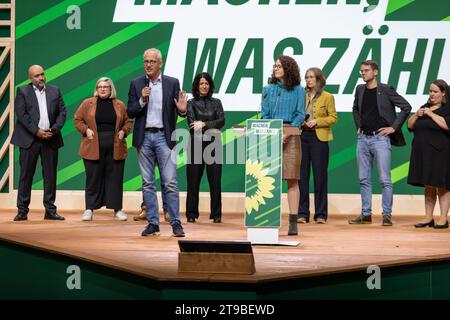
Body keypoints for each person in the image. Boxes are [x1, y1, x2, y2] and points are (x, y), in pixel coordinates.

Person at [127, 48, 187, 237]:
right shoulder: (136, 84)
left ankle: (176, 222)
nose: (148, 64)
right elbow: (130, 111)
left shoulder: (171, 83)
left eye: (152, 61)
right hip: (144, 138)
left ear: (160, 64)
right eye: (146, 61)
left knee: (170, 182)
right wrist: (142, 100)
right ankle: (153, 223)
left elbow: (180, 110)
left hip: (164, 137)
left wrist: (183, 111)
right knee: (147, 183)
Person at [349, 60, 411, 226]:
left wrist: (393, 128)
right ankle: (366, 214)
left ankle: (386, 215)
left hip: (381, 139)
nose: (363, 73)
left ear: (375, 72)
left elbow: (406, 107)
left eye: (366, 70)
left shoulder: (385, 89)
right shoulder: (360, 89)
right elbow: (355, 108)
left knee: (385, 179)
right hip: (363, 139)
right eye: (361, 71)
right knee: (363, 179)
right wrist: (359, 126)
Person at [11, 65, 67, 221]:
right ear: (30, 78)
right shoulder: (22, 91)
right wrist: (37, 131)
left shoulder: (55, 90)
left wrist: (53, 129)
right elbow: (22, 114)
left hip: (50, 138)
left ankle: (50, 210)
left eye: (42, 74)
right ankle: (22, 211)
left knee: (50, 176)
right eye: (37, 76)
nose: (41, 78)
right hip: (30, 139)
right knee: (26, 176)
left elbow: (62, 112)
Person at [74, 77, 132, 221]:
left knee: (115, 179)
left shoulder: (119, 104)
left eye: (106, 86)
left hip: (115, 146)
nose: (103, 89)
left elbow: (128, 120)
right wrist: (85, 130)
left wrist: (124, 131)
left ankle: (117, 210)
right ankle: (89, 209)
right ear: (96, 88)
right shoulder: (88, 103)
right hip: (92, 146)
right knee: (93, 178)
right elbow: (77, 119)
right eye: (100, 86)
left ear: (111, 89)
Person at [261, 55, 305, 236]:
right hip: (271, 134)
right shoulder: (268, 89)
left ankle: (293, 221)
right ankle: (269, 218)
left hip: (292, 134)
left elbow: (300, 113)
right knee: (269, 180)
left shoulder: (298, 90)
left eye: (279, 66)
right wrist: (273, 132)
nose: (275, 68)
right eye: (275, 65)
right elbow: (264, 115)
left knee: (292, 180)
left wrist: (288, 132)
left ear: (288, 68)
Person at [407, 80, 450, 229]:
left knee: (442, 186)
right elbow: (410, 126)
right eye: (430, 91)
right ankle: (428, 217)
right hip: (423, 153)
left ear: (443, 93)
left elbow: (447, 125)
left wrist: (431, 114)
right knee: (429, 185)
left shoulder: (447, 109)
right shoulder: (424, 107)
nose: (431, 94)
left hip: (441, 153)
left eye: (435, 91)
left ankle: (443, 219)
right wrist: (416, 116)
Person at [298, 67, 337, 224]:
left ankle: (321, 214)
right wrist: (300, 120)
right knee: (302, 177)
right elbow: (296, 112)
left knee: (320, 177)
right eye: (307, 77)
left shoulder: (328, 97)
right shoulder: (301, 95)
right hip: (302, 137)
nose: (308, 80)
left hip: (319, 138)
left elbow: (333, 117)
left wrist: (317, 121)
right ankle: (302, 213)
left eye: (311, 77)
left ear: (319, 79)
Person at [186, 72, 225, 223]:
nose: (204, 86)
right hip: (196, 145)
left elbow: (221, 121)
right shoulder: (190, 103)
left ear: (210, 86)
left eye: (206, 83)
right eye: (201, 83)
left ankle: (216, 215)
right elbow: (191, 125)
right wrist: (211, 126)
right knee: (193, 182)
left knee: (215, 182)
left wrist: (203, 124)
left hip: (213, 145)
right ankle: (191, 214)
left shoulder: (217, 102)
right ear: (197, 86)